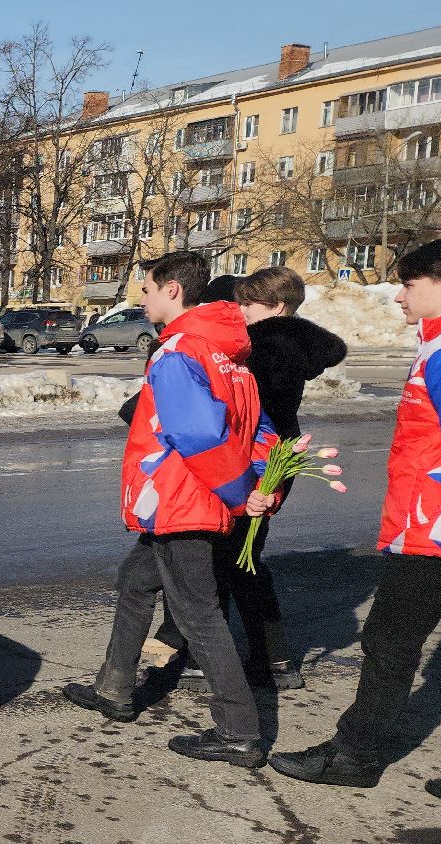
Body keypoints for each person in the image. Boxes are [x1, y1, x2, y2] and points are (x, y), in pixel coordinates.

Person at [270, 237, 441, 800]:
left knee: (389, 639)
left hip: (439, 525)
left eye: (410, 285)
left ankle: (354, 755)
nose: (400, 297)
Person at [61, 250, 276, 768]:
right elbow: (265, 433)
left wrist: (238, 492)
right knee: (136, 581)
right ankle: (114, 689)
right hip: (188, 501)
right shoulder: (229, 356)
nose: (142, 297)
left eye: (148, 288)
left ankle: (238, 731)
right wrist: (258, 486)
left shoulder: (180, 351)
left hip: (183, 501)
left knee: (198, 614)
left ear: (173, 291)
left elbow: (197, 433)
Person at [143, 268, 349, 691]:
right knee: (242, 559)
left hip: (255, 461)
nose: (239, 312)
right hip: (271, 458)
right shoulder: (285, 343)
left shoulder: (270, 347)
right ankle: (271, 659)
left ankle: (218, 662)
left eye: (247, 304)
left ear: (276, 307)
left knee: (226, 561)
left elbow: (235, 403)